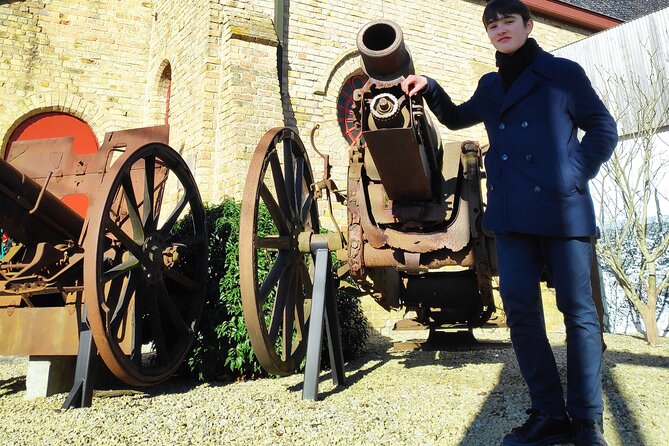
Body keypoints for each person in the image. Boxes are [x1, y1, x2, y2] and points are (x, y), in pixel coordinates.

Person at [400, 1, 617, 445]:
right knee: (521, 313)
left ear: (528, 25)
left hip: (563, 211)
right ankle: (548, 414)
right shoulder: (491, 85)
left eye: (508, 22)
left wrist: (570, 174)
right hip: (513, 216)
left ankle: (587, 420)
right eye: (492, 25)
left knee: (578, 314)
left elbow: (603, 128)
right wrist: (430, 87)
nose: (500, 30)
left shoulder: (563, 74)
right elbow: (458, 116)